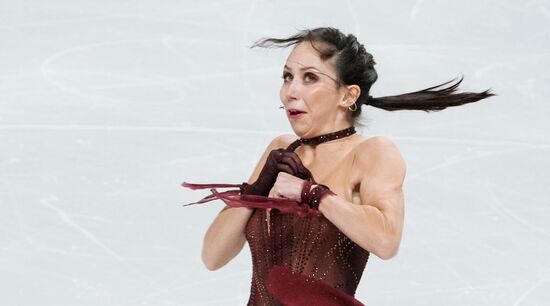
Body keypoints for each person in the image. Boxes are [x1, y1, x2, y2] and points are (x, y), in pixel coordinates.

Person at [182, 27, 495, 305]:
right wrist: (255, 190)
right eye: (287, 76)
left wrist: (313, 194)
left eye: (310, 78)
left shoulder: (371, 153)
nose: (291, 91)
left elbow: (386, 241)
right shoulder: (281, 149)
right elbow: (212, 256)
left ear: (348, 95)